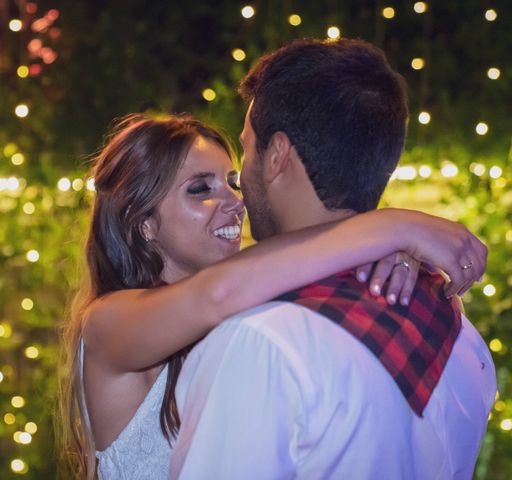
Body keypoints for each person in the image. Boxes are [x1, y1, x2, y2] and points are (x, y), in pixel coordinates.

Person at [57, 112, 486, 479]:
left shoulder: (249, 306)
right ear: (143, 223)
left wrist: (388, 256)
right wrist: (392, 227)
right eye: (200, 189)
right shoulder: (107, 322)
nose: (234, 202)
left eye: (230, 181)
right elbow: (219, 292)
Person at [169, 38, 495, 479]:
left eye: (247, 149)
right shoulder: (460, 329)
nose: (239, 179)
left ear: (278, 155)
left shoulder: (262, 343)